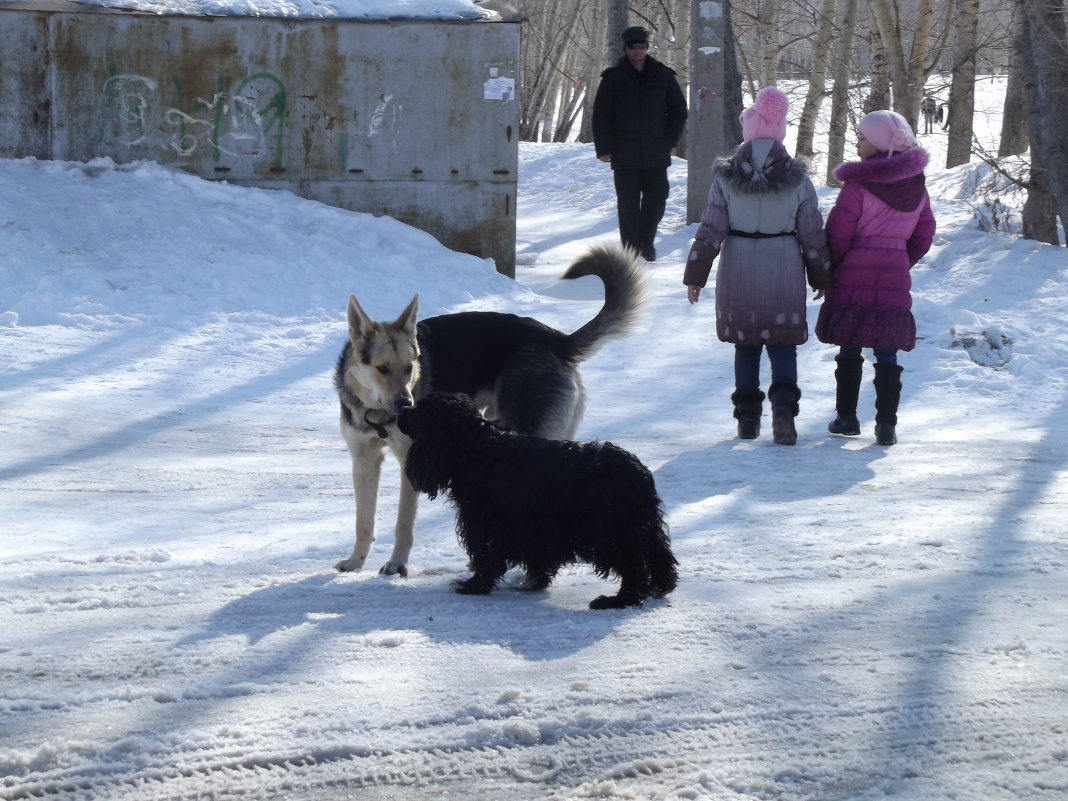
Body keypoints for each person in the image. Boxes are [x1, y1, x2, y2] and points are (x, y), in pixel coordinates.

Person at [684, 87, 830, 445]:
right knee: (782, 344)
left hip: (740, 265)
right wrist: (821, 275)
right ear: (780, 132)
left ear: (747, 134)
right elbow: (811, 231)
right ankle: (783, 412)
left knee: (745, 344)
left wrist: (696, 273)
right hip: (783, 265)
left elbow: (712, 226)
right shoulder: (798, 178)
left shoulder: (726, 177)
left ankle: (747, 419)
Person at [815, 110, 936, 446]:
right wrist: (900, 258)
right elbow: (925, 233)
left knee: (850, 347)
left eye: (863, 137)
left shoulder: (858, 185)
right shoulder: (916, 186)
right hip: (894, 273)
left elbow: (839, 233)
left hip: (854, 269)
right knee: (887, 352)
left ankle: (847, 417)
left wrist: (831, 269)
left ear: (880, 141)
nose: (857, 143)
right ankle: (886, 425)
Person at [592, 26, 688, 262]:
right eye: (634, 46)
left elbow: (678, 110)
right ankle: (633, 248)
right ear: (626, 48)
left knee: (657, 197)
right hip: (624, 152)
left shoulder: (662, 75)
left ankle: (646, 240)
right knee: (628, 203)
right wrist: (604, 148)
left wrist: (669, 141)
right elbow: (601, 114)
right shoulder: (613, 77)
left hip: (656, 151)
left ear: (647, 48)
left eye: (642, 46)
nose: (638, 50)